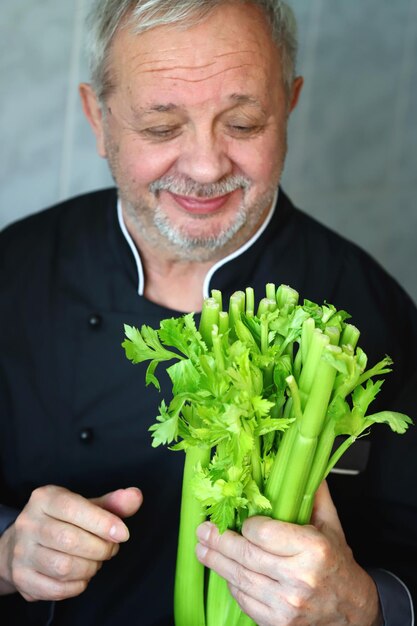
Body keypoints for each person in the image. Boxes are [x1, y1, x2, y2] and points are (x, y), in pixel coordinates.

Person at [0, 0, 416, 624]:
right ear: (98, 119)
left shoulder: (373, 310)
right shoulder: (14, 271)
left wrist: (363, 605)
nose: (205, 166)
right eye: (162, 128)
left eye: (244, 124)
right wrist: (5, 553)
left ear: (290, 103)